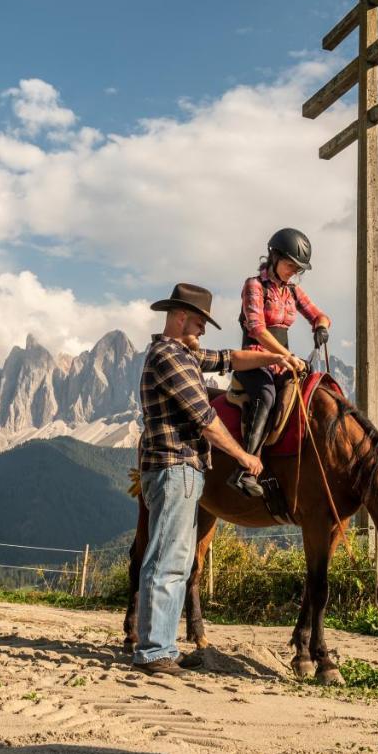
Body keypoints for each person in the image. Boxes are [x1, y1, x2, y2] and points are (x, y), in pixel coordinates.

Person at [134, 282, 297, 677]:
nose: (204, 330)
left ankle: (162, 646)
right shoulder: (171, 357)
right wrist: (243, 456)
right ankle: (155, 650)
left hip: (177, 469)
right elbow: (204, 418)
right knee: (168, 560)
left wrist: (277, 356)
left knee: (172, 557)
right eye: (199, 322)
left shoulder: (183, 354)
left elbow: (229, 359)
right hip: (176, 467)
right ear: (178, 317)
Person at [230, 228, 332, 497]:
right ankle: (245, 468)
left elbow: (319, 315)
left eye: (298, 269)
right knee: (266, 396)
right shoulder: (254, 285)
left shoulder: (293, 291)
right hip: (253, 358)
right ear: (274, 257)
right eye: (290, 265)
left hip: (282, 361)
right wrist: (286, 357)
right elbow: (257, 329)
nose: (293, 272)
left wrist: (321, 326)